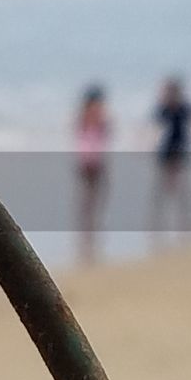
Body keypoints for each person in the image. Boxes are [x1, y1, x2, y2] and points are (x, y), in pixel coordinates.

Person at [149, 76, 191, 247]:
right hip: (165, 155)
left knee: (182, 193)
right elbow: (153, 129)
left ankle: (186, 228)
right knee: (161, 193)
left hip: (180, 154)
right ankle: (156, 230)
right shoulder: (163, 109)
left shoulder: (184, 109)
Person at [75, 84, 112, 264]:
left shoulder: (100, 120)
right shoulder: (84, 119)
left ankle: (93, 237)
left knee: (96, 201)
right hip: (87, 163)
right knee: (87, 202)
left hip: (97, 162)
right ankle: (86, 238)